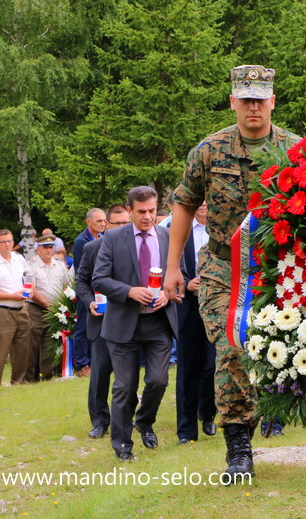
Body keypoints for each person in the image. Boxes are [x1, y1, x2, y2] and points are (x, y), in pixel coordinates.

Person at [164, 65, 300, 482]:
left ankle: (267, 417)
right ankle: (238, 449)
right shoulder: (209, 150)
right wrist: (172, 267)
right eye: (246, 98)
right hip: (222, 267)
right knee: (231, 345)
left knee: (273, 351)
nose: (254, 106)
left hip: (279, 267)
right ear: (233, 102)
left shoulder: (297, 151)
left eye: (261, 98)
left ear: (273, 101)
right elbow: (185, 205)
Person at [93, 186, 183, 461]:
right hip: (123, 323)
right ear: (130, 210)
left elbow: (181, 276)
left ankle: (144, 421)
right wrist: (129, 291)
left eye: (152, 211)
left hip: (158, 322)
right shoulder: (112, 238)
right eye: (141, 211)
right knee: (124, 386)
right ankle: (122, 446)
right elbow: (99, 279)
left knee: (158, 380)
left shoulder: (169, 237)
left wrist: (169, 295)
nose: (147, 217)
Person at [76, 204, 130, 440]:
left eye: (124, 223)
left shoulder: (138, 247)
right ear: (107, 224)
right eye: (116, 223)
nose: (121, 227)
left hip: (130, 318)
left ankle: (128, 418)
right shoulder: (92, 248)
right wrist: (89, 303)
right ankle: (99, 421)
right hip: (102, 319)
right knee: (99, 374)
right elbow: (82, 282)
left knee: (128, 375)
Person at [175, 201, 217, 444]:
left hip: (216, 306)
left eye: (206, 201)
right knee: (187, 370)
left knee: (212, 366)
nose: (203, 206)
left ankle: (208, 413)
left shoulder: (221, 230)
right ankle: (186, 430)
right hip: (188, 307)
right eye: (198, 201)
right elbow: (169, 265)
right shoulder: (179, 230)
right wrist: (187, 282)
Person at [0, 229, 31, 386]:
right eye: (3, 242)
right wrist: (11, 296)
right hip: (2, 310)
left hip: (21, 308)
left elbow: (28, 276)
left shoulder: (19, 258)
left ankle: (19, 382)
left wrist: (30, 291)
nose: (8, 244)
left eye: (10, 241)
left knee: (22, 350)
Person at [25, 235, 71, 382]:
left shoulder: (60, 264)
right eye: (45, 247)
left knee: (50, 345)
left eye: (51, 247)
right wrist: (48, 305)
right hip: (36, 310)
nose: (49, 250)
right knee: (32, 345)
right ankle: (29, 379)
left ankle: (47, 378)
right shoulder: (30, 266)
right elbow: (32, 290)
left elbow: (66, 286)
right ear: (37, 249)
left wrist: (61, 305)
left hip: (56, 311)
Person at [72, 208, 108, 378]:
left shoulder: (104, 238)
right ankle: (82, 364)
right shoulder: (81, 241)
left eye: (104, 220)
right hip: (87, 288)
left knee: (99, 325)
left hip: (101, 288)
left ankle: (96, 360)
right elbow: (82, 271)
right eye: (99, 221)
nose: (102, 224)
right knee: (83, 326)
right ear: (88, 222)